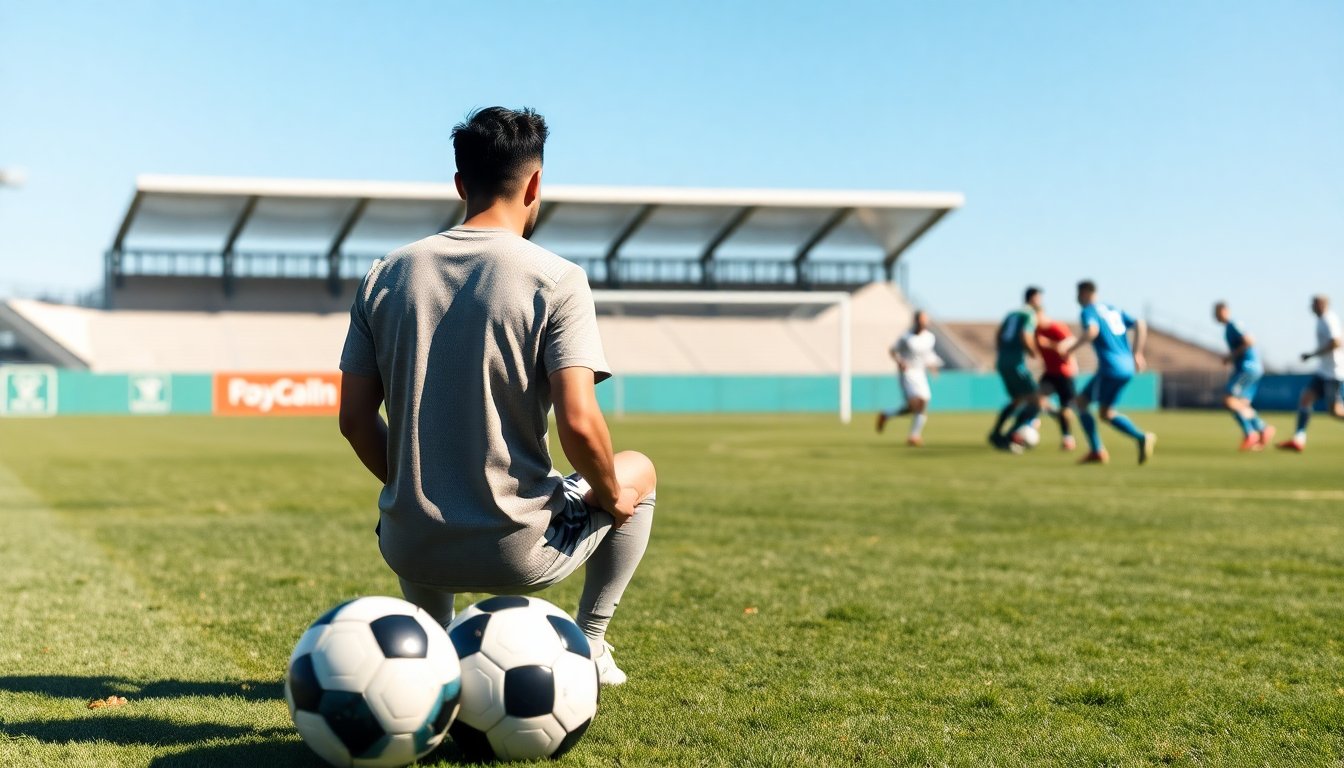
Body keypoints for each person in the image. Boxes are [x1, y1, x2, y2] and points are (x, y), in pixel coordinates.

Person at [337, 107, 656, 686]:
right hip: (518, 549)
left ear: (460, 184)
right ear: (535, 184)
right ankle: (589, 643)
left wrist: (417, 488)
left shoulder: (384, 274)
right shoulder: (557, 278)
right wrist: (615, 497)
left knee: (417, 505)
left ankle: (430, 652)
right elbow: (580, 427)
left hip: (411, 544)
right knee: (639, 470)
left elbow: (355, 420)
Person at [1062, 280, 1157, 465]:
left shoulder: (1088, 311)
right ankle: (1140, 438)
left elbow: (1092, 330)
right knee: (1104, 412)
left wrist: (1071, 349)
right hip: (1127, 367)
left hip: (1109, 367)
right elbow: (1141, 323)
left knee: (1081, 403)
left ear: (1084, 293)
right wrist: (1137, 353)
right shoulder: (1113, 309)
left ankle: (1098, 450)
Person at [1277, 294, 1344, 452]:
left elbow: (1336, 342)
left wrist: (1313, 355)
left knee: (1334, 411)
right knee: (1305, 398)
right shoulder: (1321, 320)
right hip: (1323, 371)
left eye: (1314, 304)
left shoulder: (1329, 319)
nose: (1311, 307)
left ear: (1322, 304)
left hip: (1334, 372)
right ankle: (1299, 439)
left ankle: (1299, 438)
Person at [988, 287, 1043, 452]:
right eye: (1039, 298)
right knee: (1037, 402)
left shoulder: (1011, 314)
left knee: (1017, 399)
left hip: (1003, 361)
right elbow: (1025, 335)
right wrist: (1034, 352)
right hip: (1016, 363)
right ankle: (1010, 436)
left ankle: (996, 434)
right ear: (1033, 298)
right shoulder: (1029, 314)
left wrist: (1002, 352)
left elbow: (998, 335)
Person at [876, 309, 942, 446]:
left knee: (921, 403)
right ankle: (913, 435)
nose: (924, 323)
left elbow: (927, 355)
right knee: (915, 404)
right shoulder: (906, 338)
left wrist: (933, 366)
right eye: (921, 320)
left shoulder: (930, 338)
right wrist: (900, 362)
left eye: (926, 320)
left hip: (920, 373)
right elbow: (893, 350)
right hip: (907, 374)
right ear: (916, 321)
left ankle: (891, 417)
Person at [1214, 301, 1273, 450]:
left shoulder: (1234, 324)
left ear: (1225, 311)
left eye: (1217, 312)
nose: (1215, 316)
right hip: (1249, 368)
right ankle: (1254, 433)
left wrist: (1231, 356)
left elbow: (1249, 341)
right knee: (1241, 404)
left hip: (1248, 367)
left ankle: (1258, 429)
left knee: (1229, 399)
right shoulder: (1228, 328)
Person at [1034, 301, 1078, 451]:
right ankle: (1031, 425)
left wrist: (1051, 345)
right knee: (1036, 399)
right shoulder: (1035, 332)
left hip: (1065, 373)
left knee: (1066, 409)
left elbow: (1070, 343)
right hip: (1050, 372)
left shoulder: (1056, 327)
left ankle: (1068, 438)